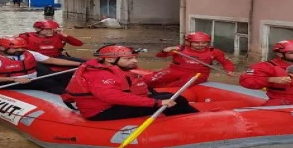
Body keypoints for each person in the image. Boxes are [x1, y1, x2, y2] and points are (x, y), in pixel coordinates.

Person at [62, 45, 200, 121]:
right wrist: (155, 103)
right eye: (128, 59)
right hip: (101, 111)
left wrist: (155, 98)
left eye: (134, 58)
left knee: (172, 97)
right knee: (173, 101)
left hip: (113, 106)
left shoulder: (116, 69)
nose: (134, 62)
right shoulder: (100, 74)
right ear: (110, 60)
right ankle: (193, 121)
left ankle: (187, 119)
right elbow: (111, 97)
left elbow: (136, 89)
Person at [0, 37, 81, 95]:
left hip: (29, 79)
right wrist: (14, 79)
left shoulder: (28, 53)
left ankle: (73, 94)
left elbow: (51, 60)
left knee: (66, 76)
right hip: (4, 83)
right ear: (2, 48)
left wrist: (80, 64)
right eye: (16, 48)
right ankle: (66, 97)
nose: (20, 50)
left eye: (21, 48)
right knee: (49, 83)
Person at [144, 31, 237, 88]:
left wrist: (230, 71)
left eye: (204, 43)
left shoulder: (214, 52)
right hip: (174, 70)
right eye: (197, 43)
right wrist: (165, 50)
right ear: (189, 42)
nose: (201, 45)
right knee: (150, 79)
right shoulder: (179, 49)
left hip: (198, 74)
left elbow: (226, 62)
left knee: (181, 84)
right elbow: (159, 56)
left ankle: (162, 92)